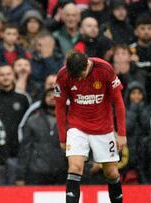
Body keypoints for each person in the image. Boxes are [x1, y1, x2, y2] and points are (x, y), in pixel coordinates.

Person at [54, 51, 126, 203]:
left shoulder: (105, 69)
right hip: (77, 127)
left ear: (87, 64)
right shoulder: (63, 75)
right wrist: (62, 137)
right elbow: (60, 107)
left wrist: (122, 133)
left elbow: (118, 103)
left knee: (112, 173)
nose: (79, 79)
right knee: (75, 167)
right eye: (76, 77)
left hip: (103, 127)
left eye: (81, 75)